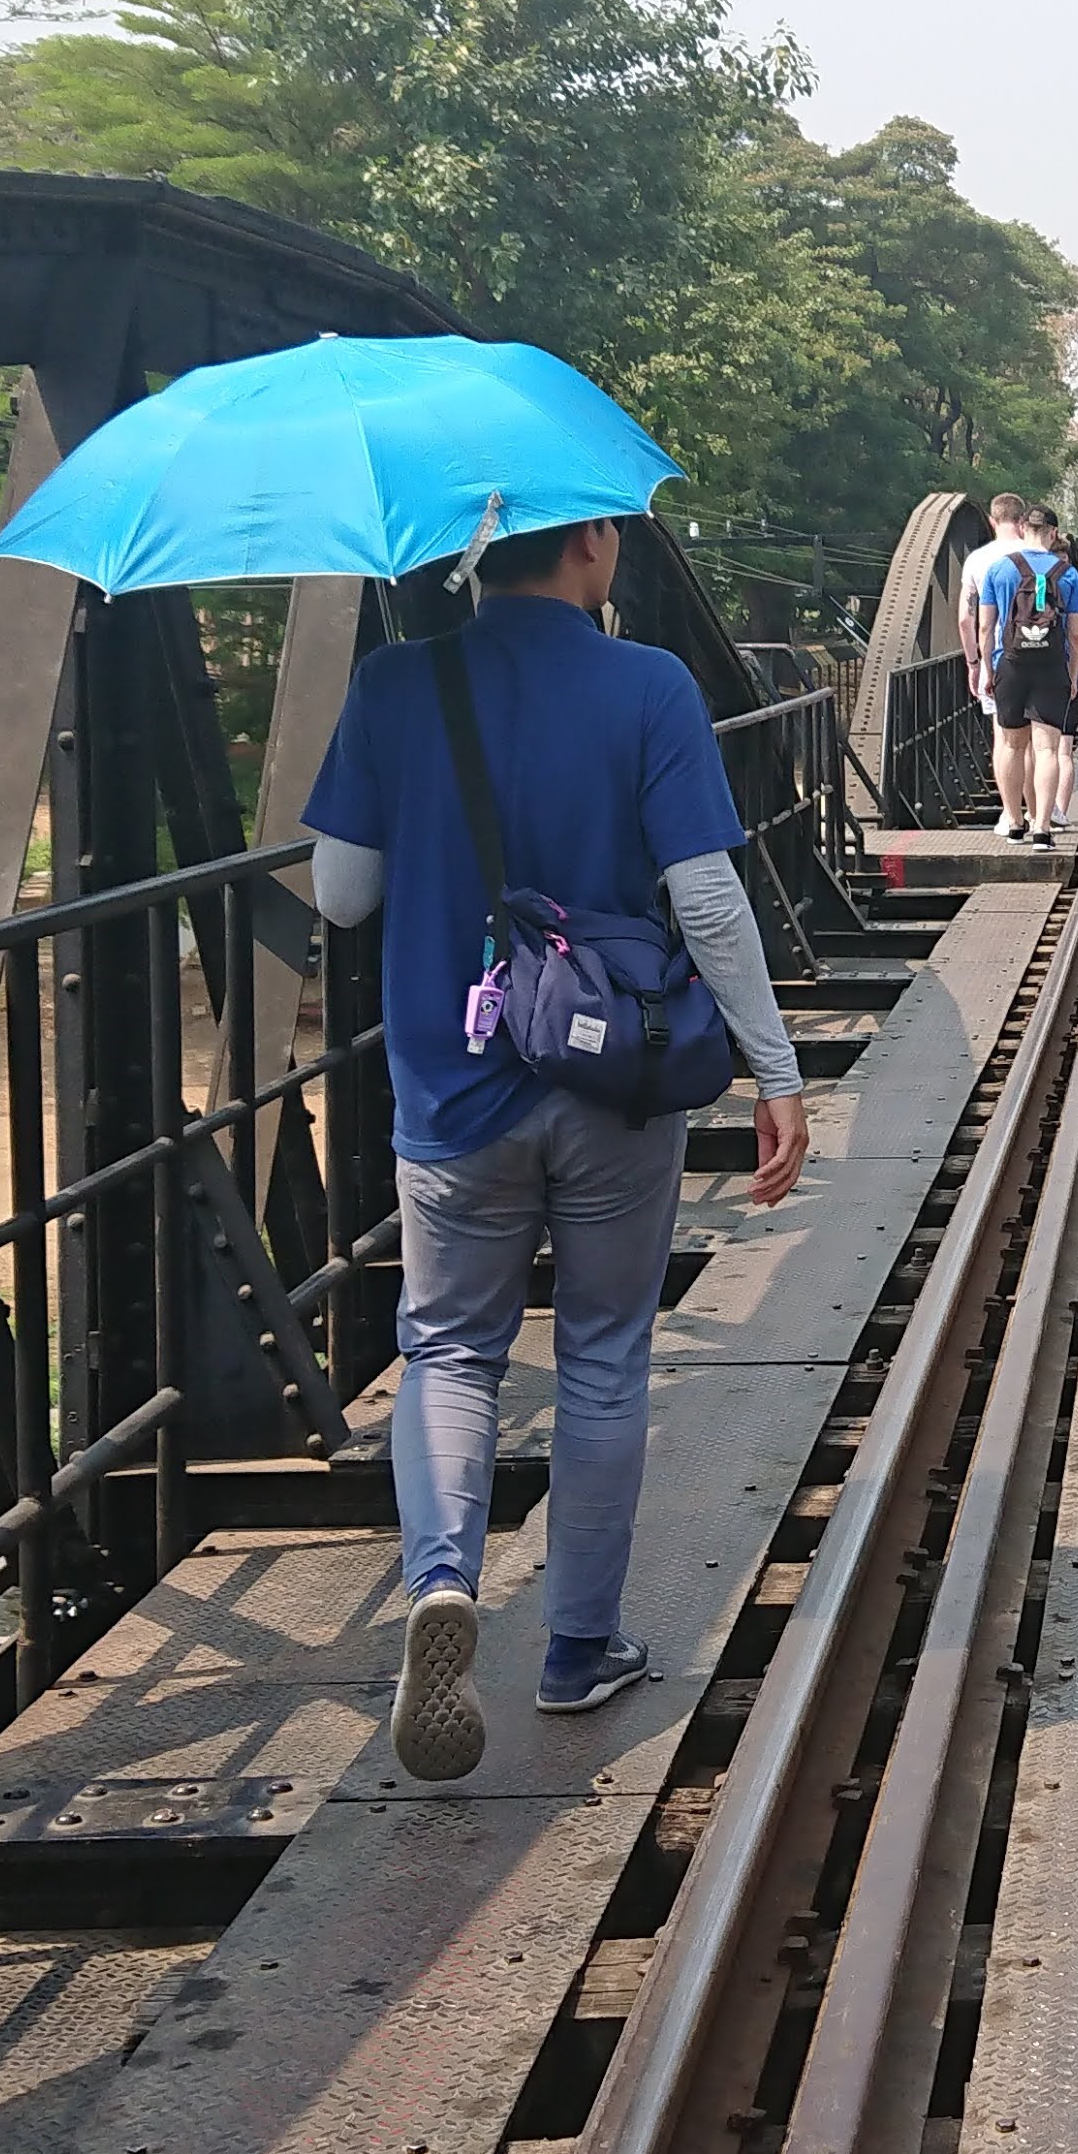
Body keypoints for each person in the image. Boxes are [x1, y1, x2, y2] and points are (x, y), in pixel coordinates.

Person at [301, 516, 815, 1783]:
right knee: (600, 1352)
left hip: (450, 1081)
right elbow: (705, 894)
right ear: (589, 541)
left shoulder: (393, 680)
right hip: (611, 1079)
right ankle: (578, 1647)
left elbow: (340, 894)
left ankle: (440, 1580)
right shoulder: (647, 683)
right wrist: (777, 1065)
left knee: (451, 1347)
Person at [960, 491, 1078, 845]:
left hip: (1010, 665)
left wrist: (987, 668)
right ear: (1052, 533)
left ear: (1022, 527)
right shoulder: (1068, 574)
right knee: (1047, 748)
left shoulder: (999, 569)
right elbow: (1075, 634)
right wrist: (1073, 674)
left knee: (1012, 746)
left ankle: (1014, 820)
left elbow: (985, 627)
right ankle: (1042, 828)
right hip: (1050, 667)